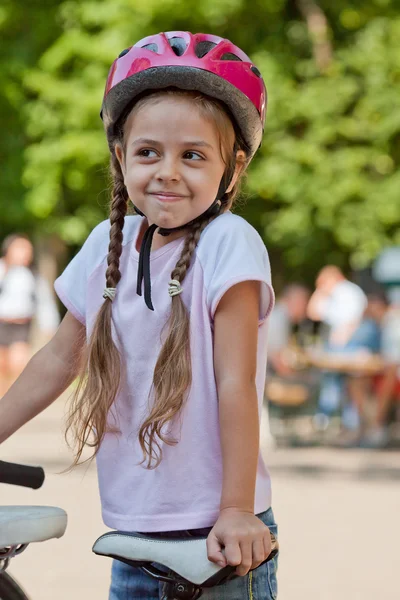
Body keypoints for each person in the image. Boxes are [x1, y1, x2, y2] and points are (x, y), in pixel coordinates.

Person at [0, 32, 278, 600]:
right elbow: (59, 356)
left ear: (233, 167)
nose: (167, 171)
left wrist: (236, 508)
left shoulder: (230, 243)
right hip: (134, 531)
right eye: (148, 152)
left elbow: (236, 382)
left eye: (193, 155)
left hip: (218, 538)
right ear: (121, 157)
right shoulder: (110, 241)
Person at [307, 265, 368, 433]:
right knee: (333, 382)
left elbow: (353, 321)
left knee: (347, 383)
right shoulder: (334, 294)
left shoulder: (348, 292)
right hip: (337, 344)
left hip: (348, 344)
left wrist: (342, 337)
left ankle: (344, 423)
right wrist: (320, 290)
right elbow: (313, 312)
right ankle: (331, 422)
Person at [0, 234, 60, 396]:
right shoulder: (2, 270)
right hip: (2, 324)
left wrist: (50, 327)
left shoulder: (33, 276)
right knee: (2, 367)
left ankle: (11, 403)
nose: (26, 253)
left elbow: (44, 303)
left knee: (18, 365)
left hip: (21, 326)